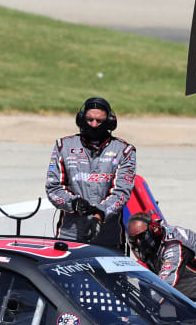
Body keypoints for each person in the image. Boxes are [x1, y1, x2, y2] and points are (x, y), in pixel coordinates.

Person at [45, 96, 137, 251]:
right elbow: (53, 188)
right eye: (89, 120)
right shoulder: (63, 146)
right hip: (70, 237)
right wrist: (73, 203)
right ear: (81, 119)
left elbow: (122, 192)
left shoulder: (124, 150)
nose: (94, 125)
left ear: (109, 122)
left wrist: (100, 215)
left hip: (109, 238)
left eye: (99, 121)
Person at [126, 212, 196, 301]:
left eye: (142, 236)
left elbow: (164, 285)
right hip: (195, 297)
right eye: (134, 239)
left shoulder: (174, 246)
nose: (139, 242)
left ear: (154, 230)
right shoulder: (154, 245)